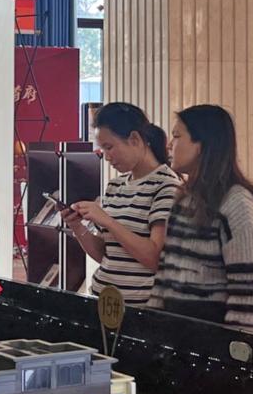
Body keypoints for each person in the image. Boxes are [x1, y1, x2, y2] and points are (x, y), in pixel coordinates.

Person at [150, 104, 253, 328]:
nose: (169, 145)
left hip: (212, 336)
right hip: (175, 334)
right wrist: (152, 328)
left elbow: (249, 298)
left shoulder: (238, 205)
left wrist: (232, 347)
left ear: (201, 145)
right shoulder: (184, 199)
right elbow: (163, 278)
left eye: (177, 136)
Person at [65, 102, 182, 309]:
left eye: (109, 147)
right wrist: (77, 227)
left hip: (140, 309)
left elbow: (155, 258)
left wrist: (108, 221)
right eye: (102, 149)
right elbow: (107, 255)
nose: (106, 156)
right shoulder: (115, 186)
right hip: (104, 303)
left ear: (134, 139)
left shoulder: (167, 187)